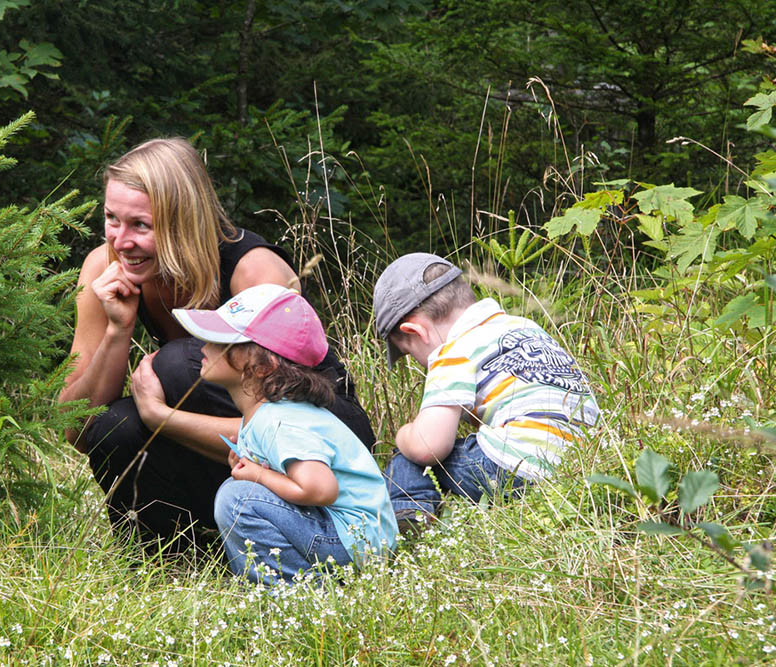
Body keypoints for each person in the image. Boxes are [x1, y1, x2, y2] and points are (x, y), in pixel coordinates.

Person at [58, 137, 374, 544]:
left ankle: (287, 536)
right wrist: (118, 331)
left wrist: (161, 418)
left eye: (141, 225)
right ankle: (172, 552)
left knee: (176, 365)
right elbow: (76, 429)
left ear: (183, 220)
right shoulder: (106, 267)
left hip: (323, 445)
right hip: (236, 446)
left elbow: (299, 431)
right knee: (113, 428)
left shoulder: (253, 272)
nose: (121, 241)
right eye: (111, 219)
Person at [169, 283, 397, 584]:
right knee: (239, 494)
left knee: (237, 499)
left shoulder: (280, 420)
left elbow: (320, 489)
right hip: (350, 536)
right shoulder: (272, 415)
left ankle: (294, 597)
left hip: (352, 539)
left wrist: (258, 476)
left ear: (262, 365)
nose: (203, 347)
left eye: (218, 341)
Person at [373, 253, 600, 521]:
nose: (421, 363)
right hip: (583, 459)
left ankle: (411, 517)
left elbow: (429, 446)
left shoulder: (452, 351)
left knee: (410, 457)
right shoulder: (525, 328)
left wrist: (404, 434)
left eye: (411, 353)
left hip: (518, 464)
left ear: (417, 332)